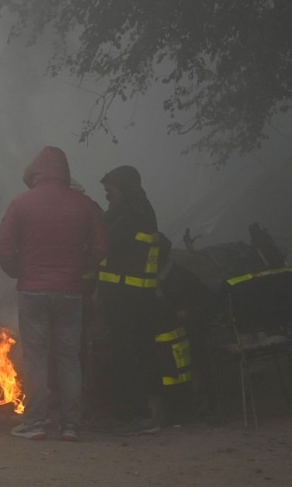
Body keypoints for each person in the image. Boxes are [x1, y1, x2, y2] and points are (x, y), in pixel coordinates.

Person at [0, 146, 108, 442]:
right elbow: (100, 248)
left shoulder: (21, 203)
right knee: (70, 358)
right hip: (71, 292)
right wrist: (78, 269)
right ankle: (71, 424)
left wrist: (19, 272)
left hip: (33, 291)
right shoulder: (83, 204)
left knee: (36, 359)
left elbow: (3, 247)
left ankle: (36, 422)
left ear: (34, 173)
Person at [94, 165, 170, 435]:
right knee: (135, 354)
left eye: (110, 192)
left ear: (124, 190)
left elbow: (102, 241)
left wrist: (99, 216)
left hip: (129, 299)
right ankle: (137, 414)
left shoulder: (130, 216)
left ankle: (140, 415)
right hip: (134, 297)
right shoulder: (139, 210)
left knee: (133, 356)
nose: (107, 197)